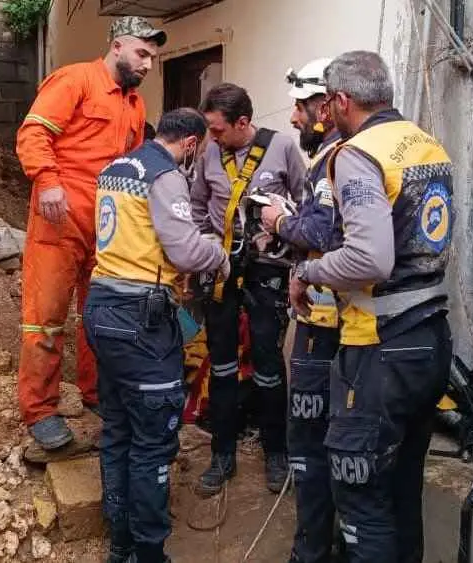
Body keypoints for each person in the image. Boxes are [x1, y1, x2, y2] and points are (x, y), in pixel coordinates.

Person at [287, 50, 453, 563]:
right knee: (402, 488)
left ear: (340, 101)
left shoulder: (357, 154)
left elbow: (369, 258)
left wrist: (308, 272)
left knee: (362, 498)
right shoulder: (426, 143)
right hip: (430, 335)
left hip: (380, 344)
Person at [15, 16, 165, 453]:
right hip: (59, 219)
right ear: (117, 46)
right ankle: (40, 410)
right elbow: (33, 133)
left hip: (107, 225)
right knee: (44, 317)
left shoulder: (135, 105)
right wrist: (48, 181)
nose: (148, 65)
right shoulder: (75, 80)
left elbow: (131, 166)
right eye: (142, 53)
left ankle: (96, 392)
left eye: (153, 58)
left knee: (100, 314)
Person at [84, 108, 228, 563]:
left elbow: (138, 233)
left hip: (102, 306)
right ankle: (149, 554)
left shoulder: (117, 168)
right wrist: (219, 256)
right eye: (199, 149)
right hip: (140, 319)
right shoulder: (165, 175)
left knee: (118, 432)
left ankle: (120, 546)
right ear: (190, 143)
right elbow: (184, 250)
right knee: (152, 443)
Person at [190, 83, 307, 496]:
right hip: (221, 270)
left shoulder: (282, 148)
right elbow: (198, 206)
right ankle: (222, 455)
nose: (212, 136)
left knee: (268, 363)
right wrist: (205, 250)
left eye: (217, 129)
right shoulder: (210, 154)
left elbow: (305, 203)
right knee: (221, 364)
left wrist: (293, 255)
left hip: (266, 271)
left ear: (242, 123)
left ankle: (276, 453)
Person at [259, 57, 342, 563]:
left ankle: (310, 550)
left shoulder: (336, 157)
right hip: (335, 316)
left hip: (326, 319)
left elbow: (321, 232)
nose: (293, 117)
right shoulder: (345, 153)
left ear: (326, 106)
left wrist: (277, 220)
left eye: (300, 106)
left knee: (310, 438)